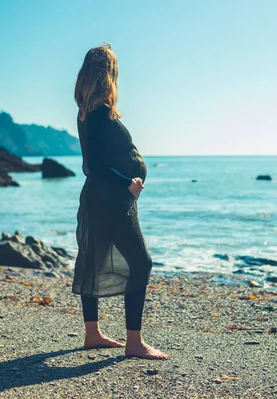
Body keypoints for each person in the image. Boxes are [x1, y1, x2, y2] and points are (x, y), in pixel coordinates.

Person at [72, 44, 168, 360]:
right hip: (111, 199)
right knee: (142, 262)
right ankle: (134, 343)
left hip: (98, 198)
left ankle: (92, 334)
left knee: (92, 261)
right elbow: (99, 165)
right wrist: (128, 182)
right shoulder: (99, 113)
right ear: (108, 76)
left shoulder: (86, 112)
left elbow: (98, 161)